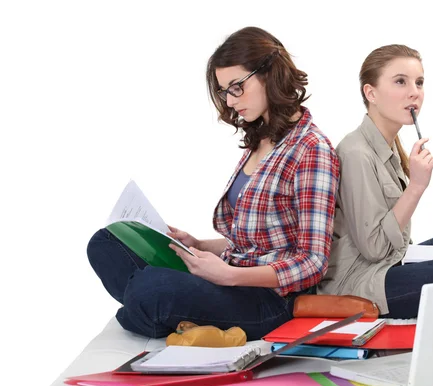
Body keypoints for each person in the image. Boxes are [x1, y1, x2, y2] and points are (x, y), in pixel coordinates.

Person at [87, 27, 339, 340]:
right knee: (106, 243)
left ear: (270, 75)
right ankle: (156, 311)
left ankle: (152, 308)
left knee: (152, 288)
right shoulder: (259, 139)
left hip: (267, 300)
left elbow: (314, 263)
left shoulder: (312, 149)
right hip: (229, 272)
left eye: (237, 87)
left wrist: (230, 276)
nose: (231, 101)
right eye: (224, 91)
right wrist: (200, 245)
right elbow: (257, 241)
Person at [318, 44, 433, 319]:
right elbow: (373, 249)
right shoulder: (356, 153)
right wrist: (416, 187)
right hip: (358, 282)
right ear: (370, 93)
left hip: (389, 263)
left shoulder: (390, 144)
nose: (414, 92)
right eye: (400, 82)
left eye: (419, 82)